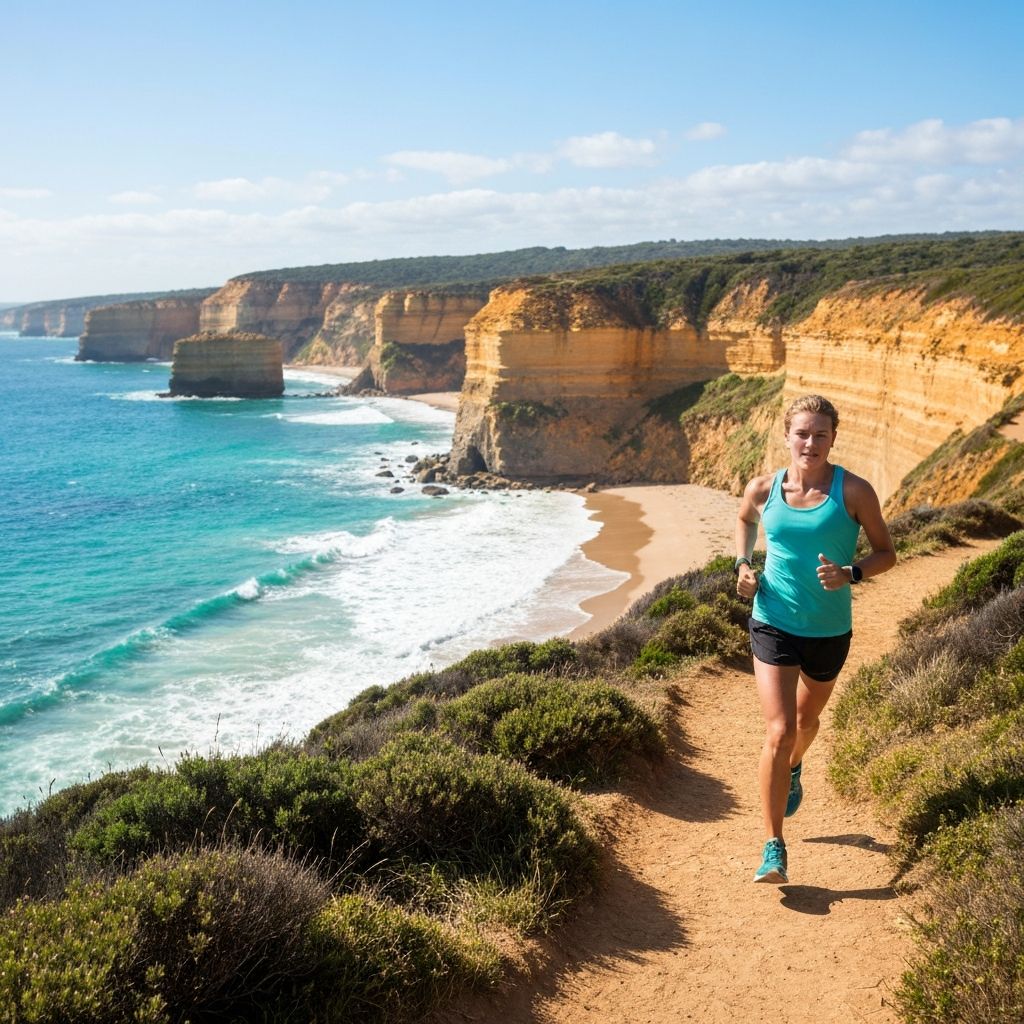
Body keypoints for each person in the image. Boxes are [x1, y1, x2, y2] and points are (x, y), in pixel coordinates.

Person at [735, 394, 896, 884]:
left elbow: (887, 552)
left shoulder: (855, 492)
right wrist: (743, 564)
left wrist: (852, 573)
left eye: (820, 434)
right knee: (779, 730)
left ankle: (794, 769)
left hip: (829, 630)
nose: (810, 442)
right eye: (802, 433)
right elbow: (744, 519)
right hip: (773, 620)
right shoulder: (764, 488)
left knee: (807, 723)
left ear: (832, 439)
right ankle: (773, 846)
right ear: (787, 436)